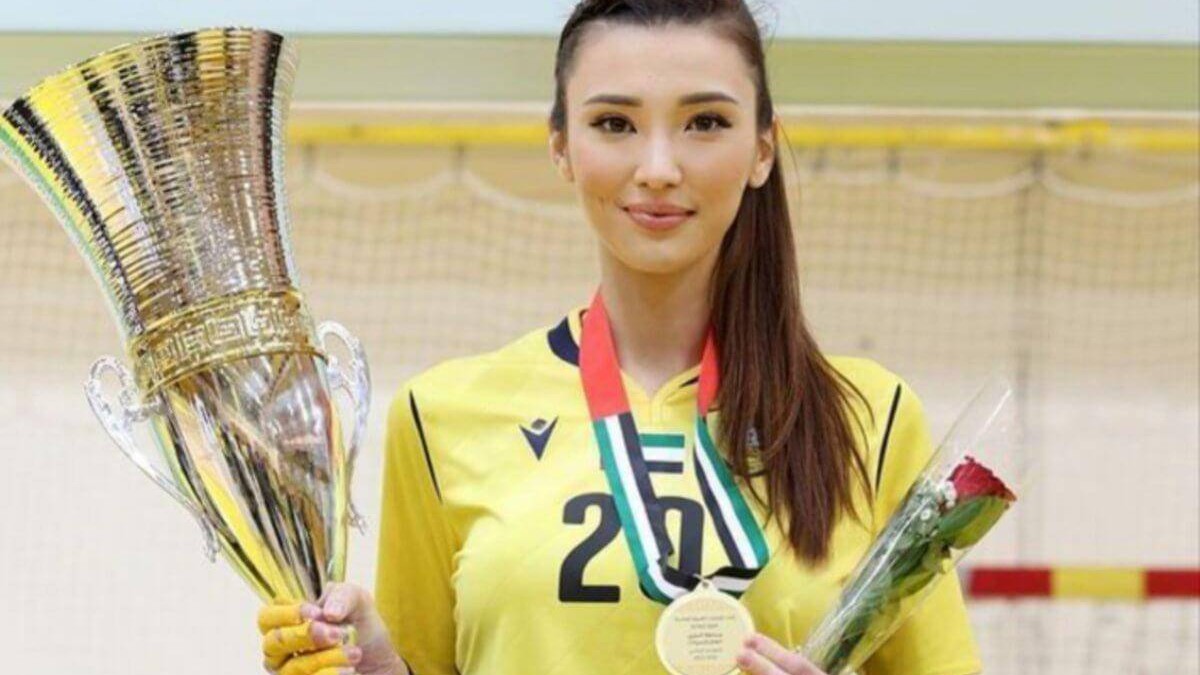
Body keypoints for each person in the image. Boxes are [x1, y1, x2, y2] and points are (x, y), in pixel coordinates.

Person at [256, 1, 984, 674]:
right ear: (561, 146)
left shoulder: (870, 418)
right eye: (614, 124)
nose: (658, 169)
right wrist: (373, 661)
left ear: (762, 149)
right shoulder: (440, 415)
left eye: (705, 122)